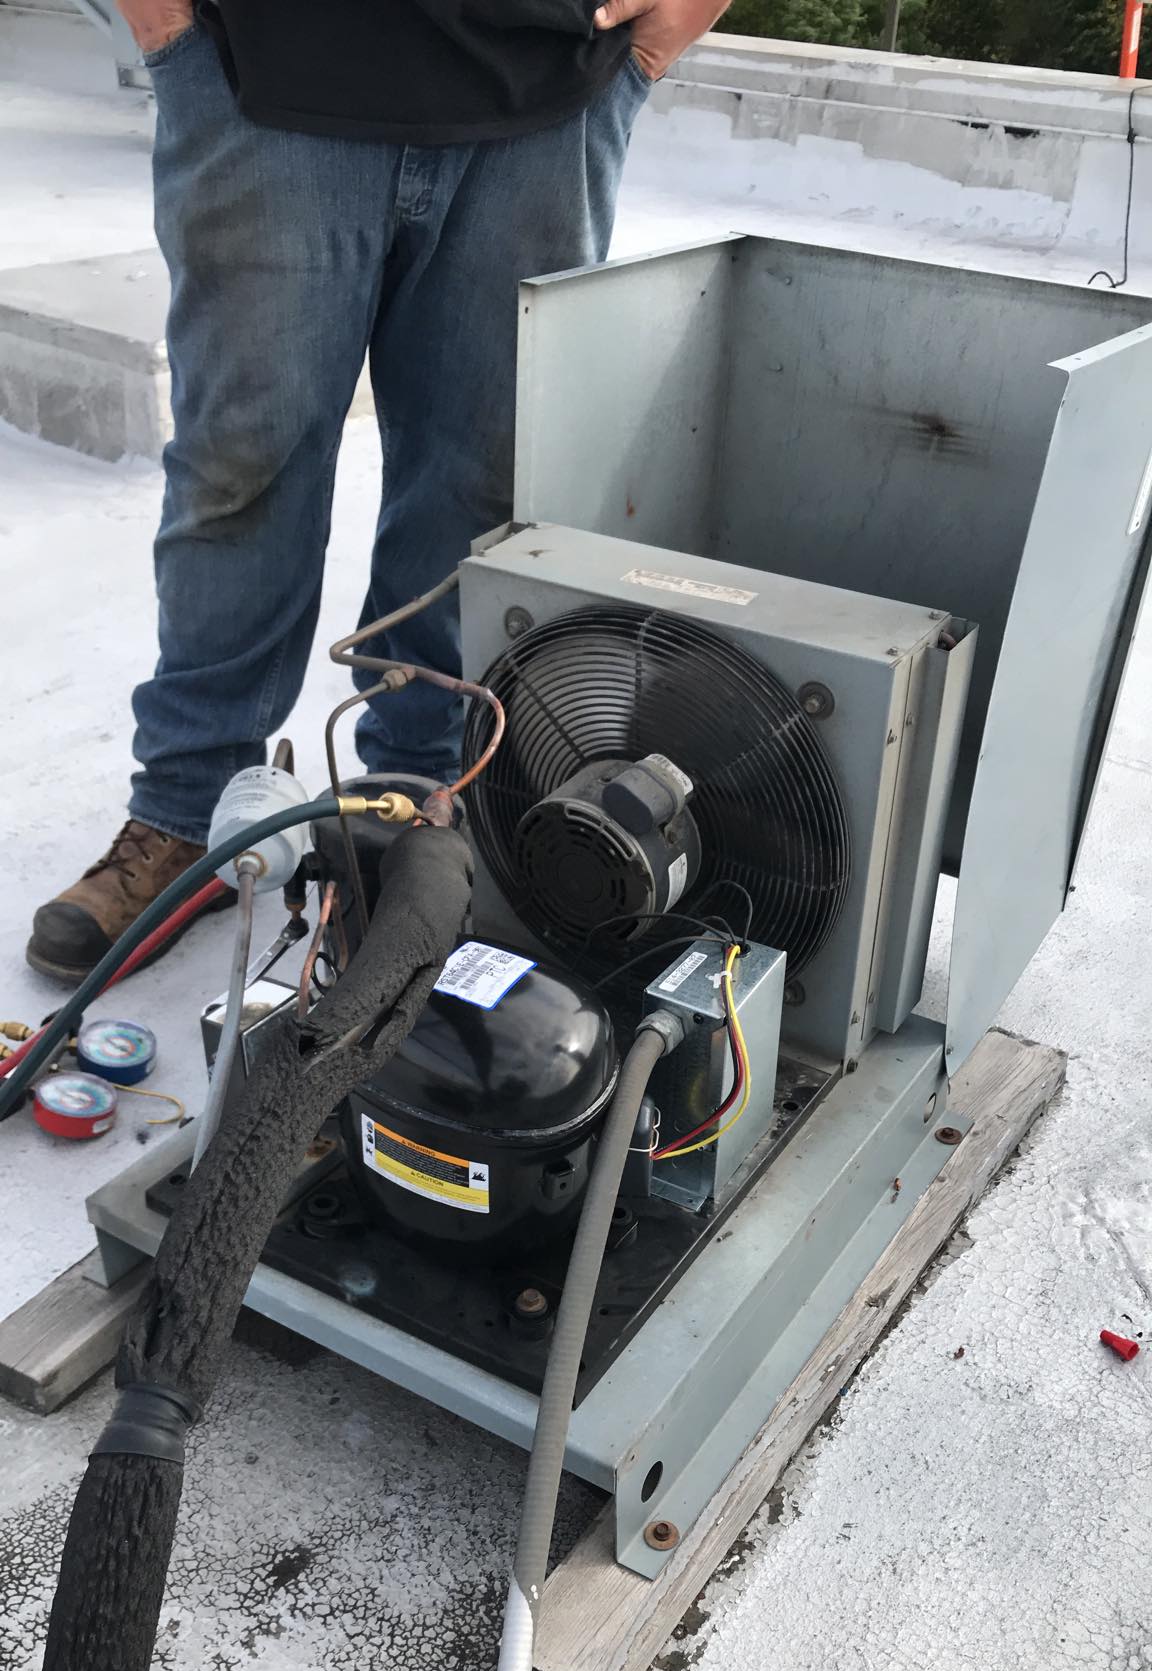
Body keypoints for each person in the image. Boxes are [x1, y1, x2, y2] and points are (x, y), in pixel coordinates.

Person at [28, 0, 727, 983]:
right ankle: (188, 810)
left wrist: (664, 33)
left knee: (482, 490)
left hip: (547, 92)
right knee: (239, 472)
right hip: (264, 79)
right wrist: (165, 28)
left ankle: (414, 809)